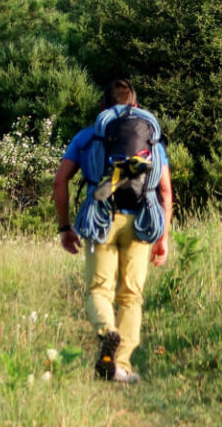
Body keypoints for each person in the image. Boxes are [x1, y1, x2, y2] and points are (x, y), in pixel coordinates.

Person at [53, 77, 173, 384]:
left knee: (99, 290)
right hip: (141, 222)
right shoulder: (151, 141)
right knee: (131, 296)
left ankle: (109, 332)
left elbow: (60, 180)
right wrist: (162, 237)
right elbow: (164, 189)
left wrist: (65, 227)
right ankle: (120, 366)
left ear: (103, 106)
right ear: (135, 105)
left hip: (100, 220)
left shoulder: (87, 136)